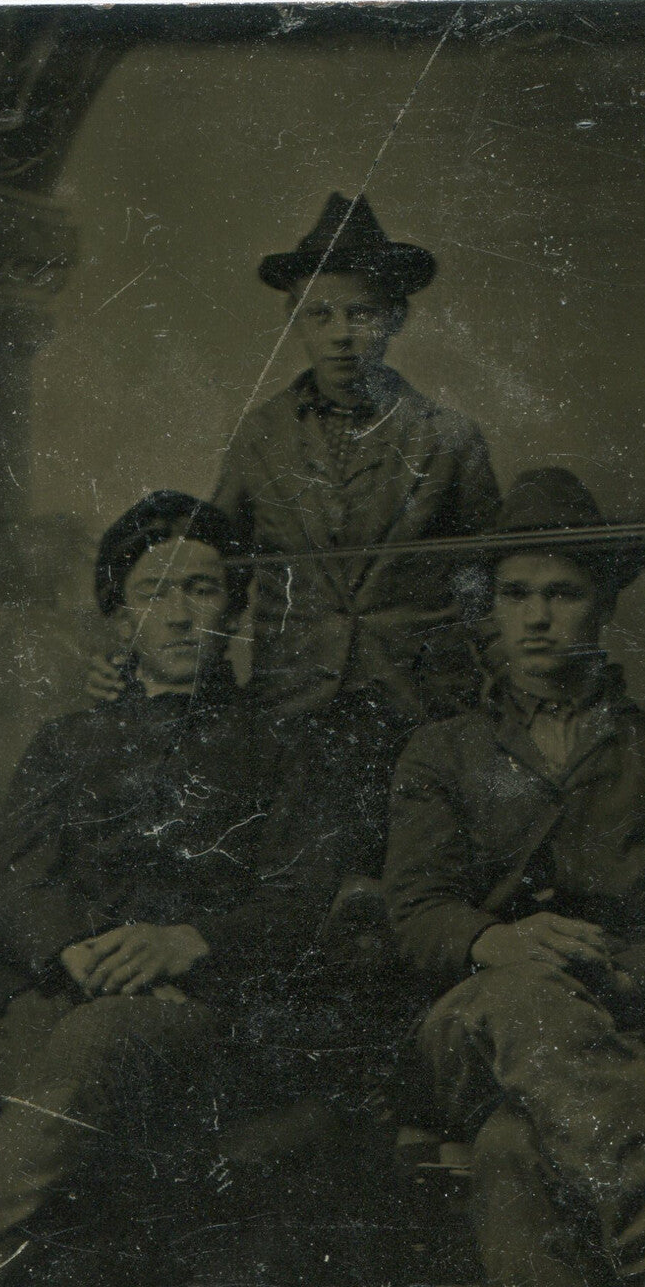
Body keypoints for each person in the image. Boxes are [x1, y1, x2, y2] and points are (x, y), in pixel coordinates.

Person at [0, 492, 352, 1287]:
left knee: (92, 1046)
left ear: (234, 607)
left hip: (207, 1011)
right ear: (120, 613)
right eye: (157, 591)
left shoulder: (287, 746)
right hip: (68, 987)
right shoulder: (68, 739)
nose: (183, 614)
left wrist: (191, 941)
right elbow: (13, 878)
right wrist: (72, 948)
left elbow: (306, 898)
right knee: (44, 1044)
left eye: (204, 589)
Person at [382, 468, 645, 1287]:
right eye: (515, 595)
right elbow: (413, 913)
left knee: (517, 1152)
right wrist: (498, 941)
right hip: (467, 1037)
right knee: (520, 993)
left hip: (626, 1040)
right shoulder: (443, 750)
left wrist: (613, 976)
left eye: (563, 593)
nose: (537, 617)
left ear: (606, 606)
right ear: (492, 609)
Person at [91, 193, 500, 872]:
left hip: (420, 704)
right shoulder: (262, 435)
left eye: (361, 313)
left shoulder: (449, 440)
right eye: (320, 314)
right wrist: (136, 661)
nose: (341, 333)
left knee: (412, 875)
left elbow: (489, 584)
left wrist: (501, 697)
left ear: (395, 318)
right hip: (293, 704)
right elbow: (212, 566)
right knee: (299, 877)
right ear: (296, 324)